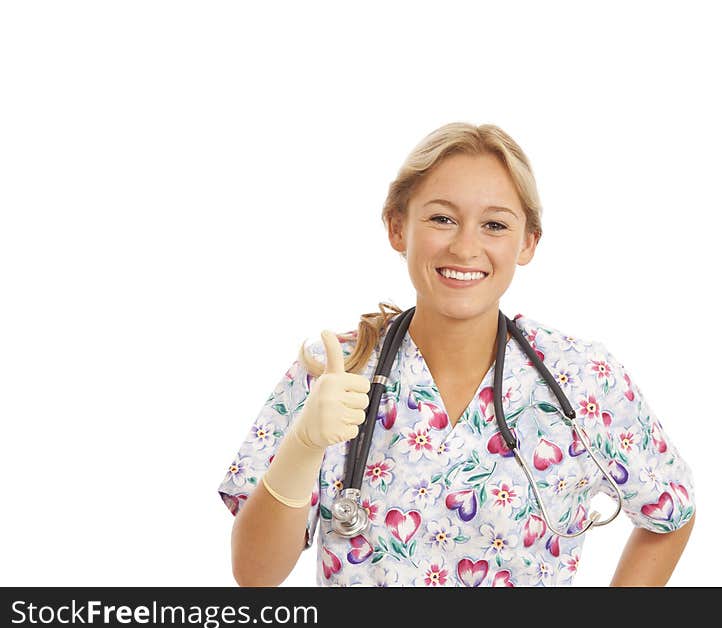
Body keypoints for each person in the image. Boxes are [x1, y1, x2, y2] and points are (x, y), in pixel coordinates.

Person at [218, 122, 696, 587]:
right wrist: (303, 446)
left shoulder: (582, 378)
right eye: (442, 218)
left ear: (527, 242)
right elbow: (254, 575)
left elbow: (672, 514)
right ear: (397, 227)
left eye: (494, 225)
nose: (466, 247)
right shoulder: (334, 371)